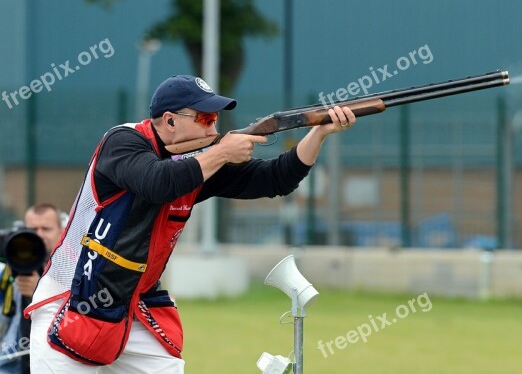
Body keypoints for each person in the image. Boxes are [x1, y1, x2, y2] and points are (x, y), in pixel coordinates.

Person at [25, 75, 356, 372]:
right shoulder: (122, 142)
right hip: (72, 299)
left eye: (216, 117)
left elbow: (275, 180)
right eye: (204, 117)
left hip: (133, 303)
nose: (214, 128)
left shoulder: (201, 159)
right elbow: (157, 182)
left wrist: (320, 132)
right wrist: (221, 153)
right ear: (169, 121)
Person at [0, 204, 63, 374]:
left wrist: (41, 292)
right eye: (33, 229)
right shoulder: (9, 264)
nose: (40, 235)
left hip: (51, 361)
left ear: (61, 231)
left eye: (46, 229)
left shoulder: (69, 269)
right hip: (10, 361)